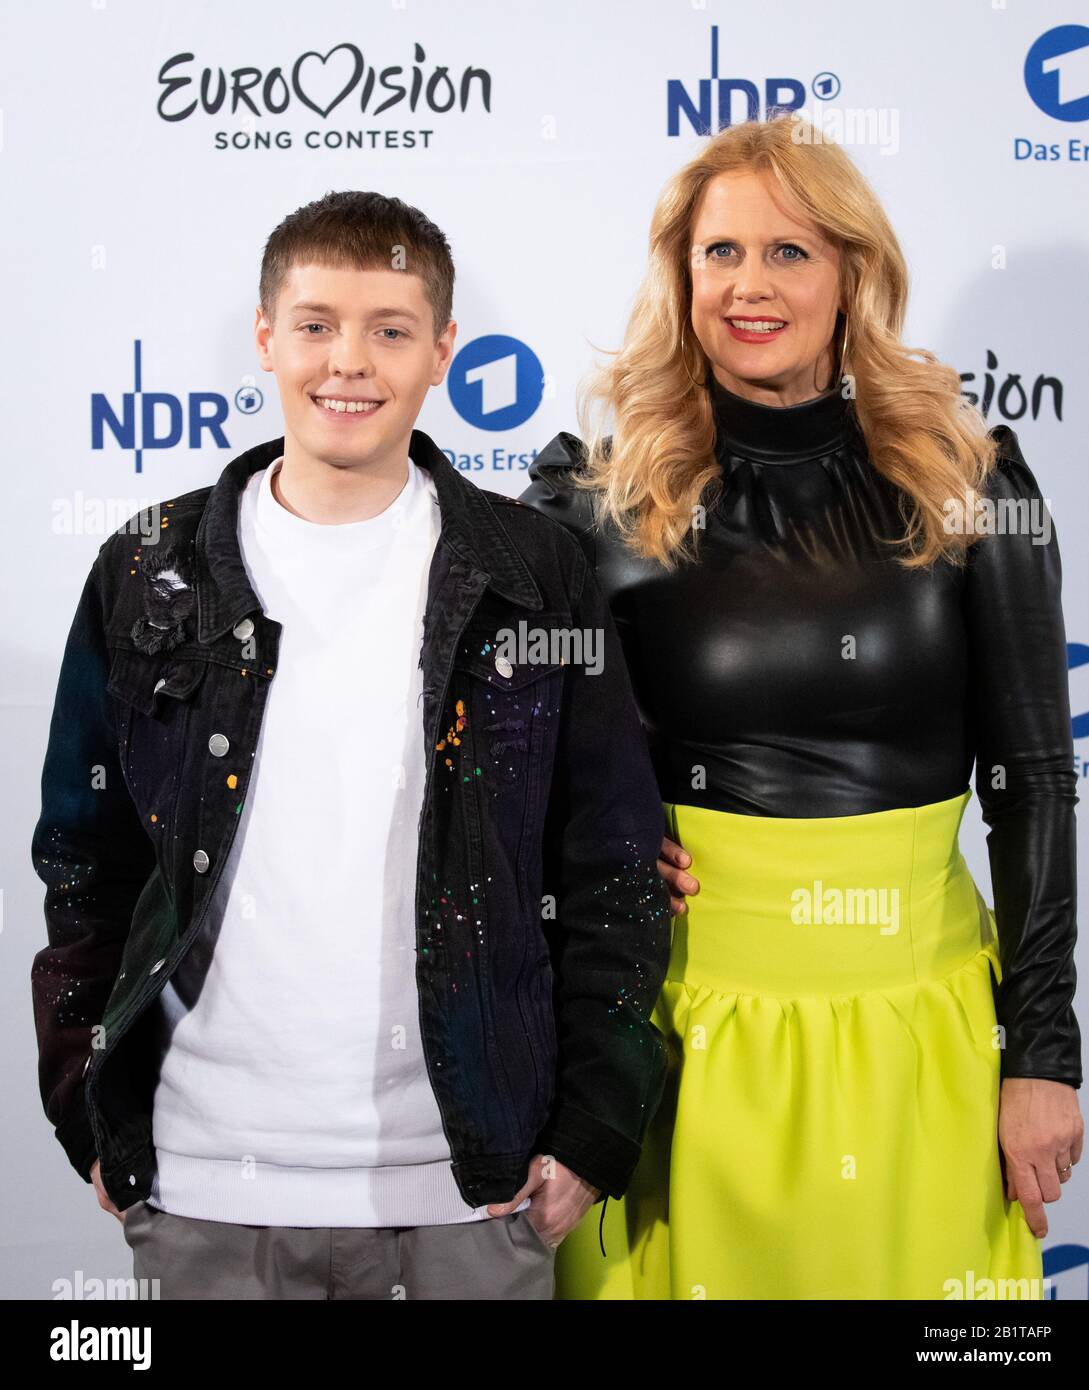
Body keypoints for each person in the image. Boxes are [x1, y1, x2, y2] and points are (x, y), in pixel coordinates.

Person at [30, 191, 672, 1300]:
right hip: (203, 1189)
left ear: (441, 354)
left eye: (390, 329)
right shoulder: (147, 569)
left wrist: (593, 1130)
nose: (350, 362)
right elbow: (85, 863)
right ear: (268, 337)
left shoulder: (534, 573)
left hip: (473, 1192)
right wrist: (87, 1104)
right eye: (318, 323)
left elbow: (611, 862)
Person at [520, 115, 1085, 1300]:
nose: (750, 285)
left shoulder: (973, 487)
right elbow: (526, 775)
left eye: (790, 251)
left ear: (852, 274)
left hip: (919, 1035)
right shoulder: (596, 504)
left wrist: (1043, 1053)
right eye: (721, 253)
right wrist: (616, 839)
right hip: (676, 1035)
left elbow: (1033, 781)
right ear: (681, 279)